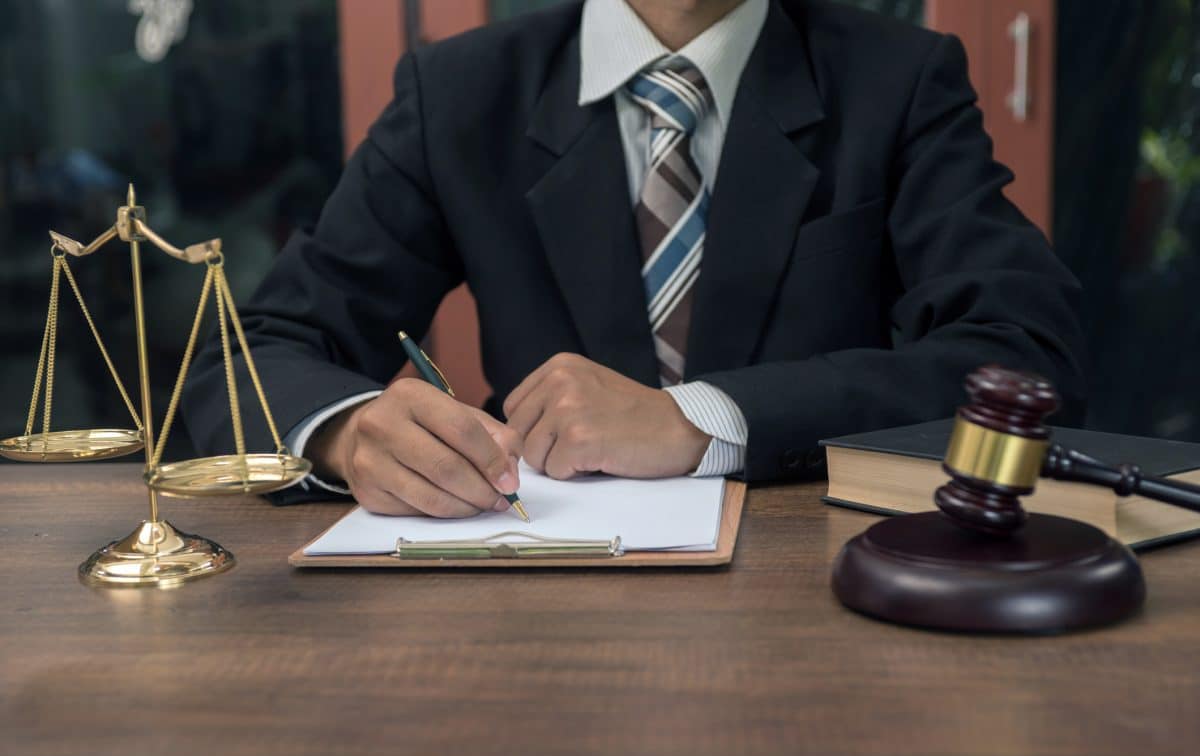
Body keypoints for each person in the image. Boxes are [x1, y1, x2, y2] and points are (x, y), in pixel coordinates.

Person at [181, 0, 1087, 518]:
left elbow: (1021, 357)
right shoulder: (459, 92)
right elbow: (251, 352)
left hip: (823, 593)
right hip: (533, 602)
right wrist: (346, 433)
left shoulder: (899, 78)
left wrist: (703, 418)